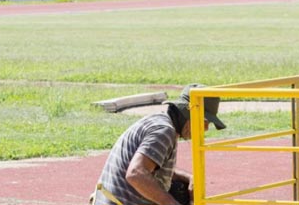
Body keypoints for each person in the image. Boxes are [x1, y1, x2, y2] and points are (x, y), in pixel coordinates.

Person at [92, 83, 226, 205]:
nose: (206, 128)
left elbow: (151, 168)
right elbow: (136, 174)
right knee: (176, 196)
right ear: (189, 112)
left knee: (179, 188)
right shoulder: (164, 131)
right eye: (204, 121)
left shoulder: (160, 122)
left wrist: (188, 177)